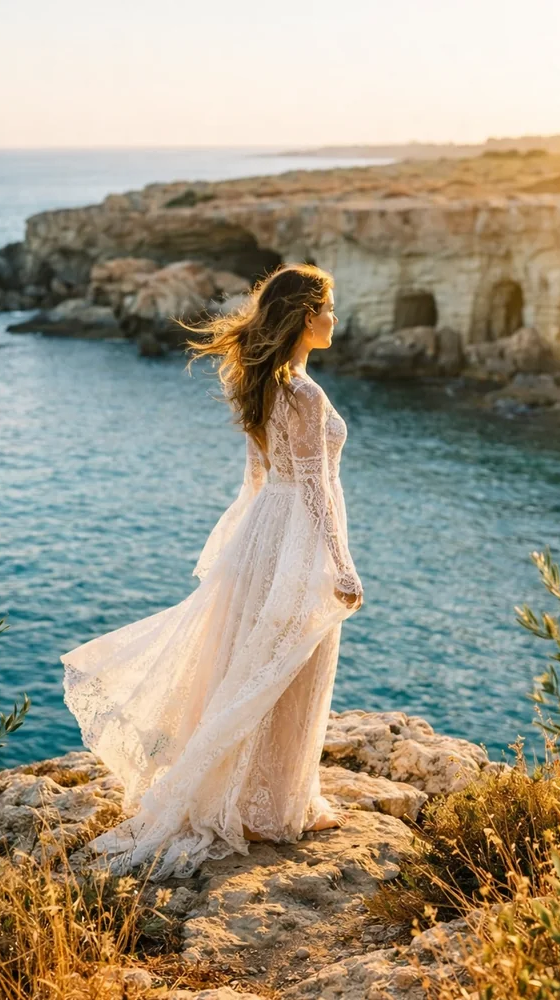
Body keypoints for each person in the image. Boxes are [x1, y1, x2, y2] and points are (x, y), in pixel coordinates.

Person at [61, 263, 364, 880]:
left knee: (251, 666)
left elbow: (257, 478)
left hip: (263, 535)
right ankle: (274, 807)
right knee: (290, 668)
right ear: (307, 317)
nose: (335, 319)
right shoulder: (305, 394)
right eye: (329, 308)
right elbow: (316, 489)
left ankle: (261, 800)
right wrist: (342, 565)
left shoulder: (263, 383)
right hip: (297, 539)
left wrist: (239, 549)